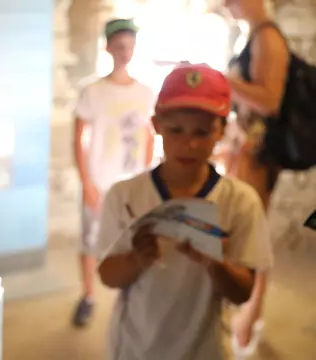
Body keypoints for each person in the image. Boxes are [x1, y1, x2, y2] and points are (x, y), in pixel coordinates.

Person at [97, 63, 274, 360]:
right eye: (175, 130)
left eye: (202, 132)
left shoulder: (240, 202)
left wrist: (216, 262)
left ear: (221, 130)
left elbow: (243, 293)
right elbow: (108, 276)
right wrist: (137, 258)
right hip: (134, 348)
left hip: (204, 349)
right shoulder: (125, 195)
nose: (188, 144)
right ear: (157, 126)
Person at [72, 18, 155, 327]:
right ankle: (89, 296)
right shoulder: (93, 91)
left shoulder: (145, 92)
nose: (125, 53)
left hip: (131, 181)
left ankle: (131, 297)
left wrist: (146, 175)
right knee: (90, 241)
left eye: (130, 47)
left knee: (134, 240)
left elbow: (148, 135)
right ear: (108, 48)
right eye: (119, 46)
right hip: (100, 179)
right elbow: (78, 138)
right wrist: (87, 182)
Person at [223, 0, 290, 350]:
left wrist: (224, 81)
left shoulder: (267, 37)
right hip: (248, 153)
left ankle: (249, 320)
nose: (226, 4)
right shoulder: (257, 35)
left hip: (259, 158)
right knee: (243, 232)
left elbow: (269, 101)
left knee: (253, 236)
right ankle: (247, 315)